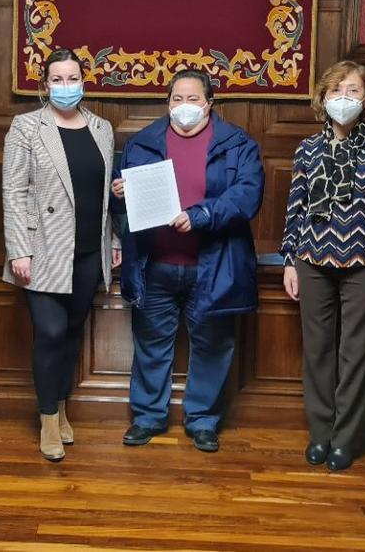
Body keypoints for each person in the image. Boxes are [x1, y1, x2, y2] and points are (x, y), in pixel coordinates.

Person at [113, 68, 263, 453]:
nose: (184, 107)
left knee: (213, 345)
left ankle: (203, 421)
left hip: (213, 266)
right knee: (150, 343)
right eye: (177, 99)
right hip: (155, 263)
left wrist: (200, 215)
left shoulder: (237, 144)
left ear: (210, 103)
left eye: (193, 99)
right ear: (167, 103)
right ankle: (147, 417)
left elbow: (247, 195)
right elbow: (121, 200)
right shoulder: (143, 142)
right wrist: (119, 192)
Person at [280, 61, 365, 472]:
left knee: (355, 353)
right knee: (317, 351)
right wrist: (290, 261)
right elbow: (295, 209)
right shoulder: (307, 149)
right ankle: (320, 434)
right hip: (312, 260)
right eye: (336, 91)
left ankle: (344, 439)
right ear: (323, 98)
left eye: (352, 91)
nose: (344, 99)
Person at [2, 48, 120, 461]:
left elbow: (106, 194)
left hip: (89, 250)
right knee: (49, 333)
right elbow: (13, 192)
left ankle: (62, 407)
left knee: (70, 335)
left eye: (73, 79)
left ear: (83, 82)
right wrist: (19, 250)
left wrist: (116, 242)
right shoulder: (26, 127)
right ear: (44, 83)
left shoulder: (102, 128)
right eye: (58, 79)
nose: (66, 86)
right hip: (42, 249)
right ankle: (48, 418)